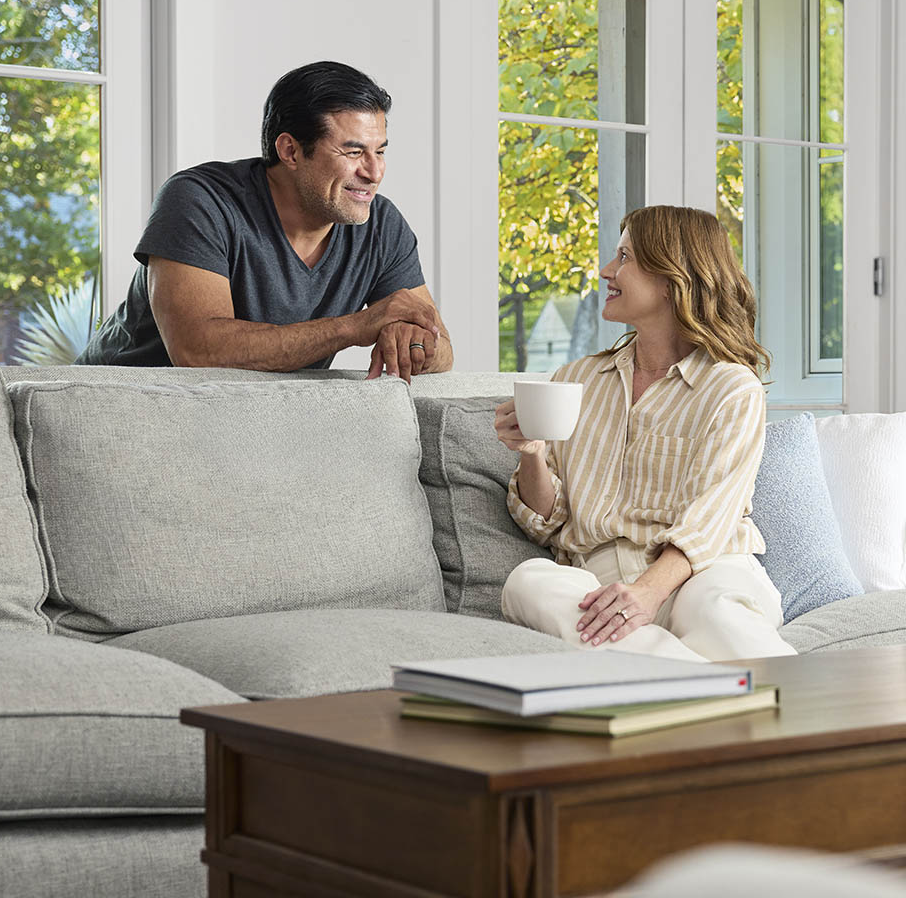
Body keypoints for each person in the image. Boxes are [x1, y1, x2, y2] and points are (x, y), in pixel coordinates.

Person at [494, 205, 796, 663]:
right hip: (599, 578)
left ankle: (791, 705)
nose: (605, 271)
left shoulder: (731, 387)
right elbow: (547, 520)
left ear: (673, 277)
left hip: (703, 571)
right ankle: (699, 683)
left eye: (625, 257)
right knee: (528, 582)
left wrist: (648, 593)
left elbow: (711, 517)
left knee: (713, 612)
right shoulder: (577, 379)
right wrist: (531, 451)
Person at [76, 61, 452, 383]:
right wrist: (357, 326)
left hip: (245, 422)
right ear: (290, 150)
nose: (375, 172)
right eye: (353, 152)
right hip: (116, 405)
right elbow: (198, 351)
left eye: (380, 151)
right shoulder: (199, 200)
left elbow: (444, 350)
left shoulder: (381, 225)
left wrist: (413, 338)